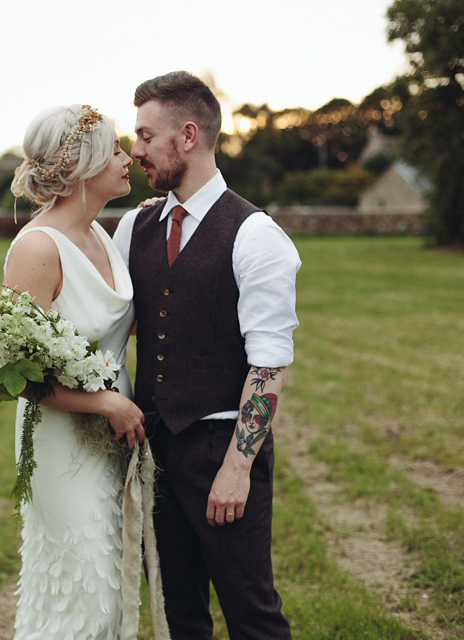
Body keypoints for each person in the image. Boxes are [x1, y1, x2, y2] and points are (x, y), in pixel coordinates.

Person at [112, 71, 300, 640]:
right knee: (177, 616)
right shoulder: (133, 226)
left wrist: (238, 469)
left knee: (252, 615)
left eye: (146, 136)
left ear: (188, 136)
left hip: (223, 448)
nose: (135, 150)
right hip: (155, 451)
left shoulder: (256, 235)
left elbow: (268, 363)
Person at [3, 104, 146, 640]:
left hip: (111, 437)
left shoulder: (100, 234)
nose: (128, 158)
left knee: (108, 586)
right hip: (61, 439)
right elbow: (17, 371)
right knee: (80, 591)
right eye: (115, 149)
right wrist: (104, 402)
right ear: (84, 163)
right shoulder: (39, 248)